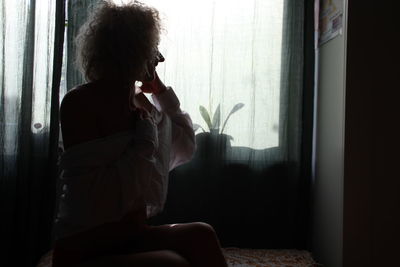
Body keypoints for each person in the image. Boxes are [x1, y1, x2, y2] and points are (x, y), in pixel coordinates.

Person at [52, 1, 228, 267]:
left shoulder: (141, 105)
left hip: (129, 236)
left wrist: (158, 89)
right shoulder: (80, 103)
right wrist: (144, 142)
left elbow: (184, 144)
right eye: (152, 48)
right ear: (131, 50)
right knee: (172, 262)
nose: (160, 57)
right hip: (86, 244)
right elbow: (97, 198)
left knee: (202, 234)